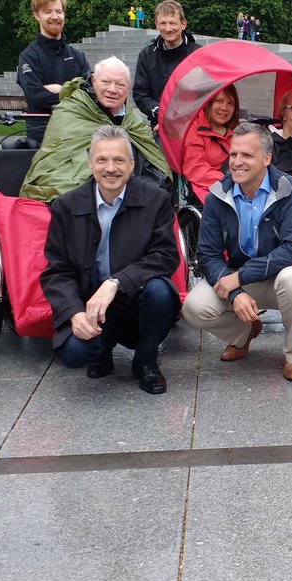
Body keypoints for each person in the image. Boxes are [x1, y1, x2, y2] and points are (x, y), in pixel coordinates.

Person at [40, 125, 180, 395]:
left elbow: (165, 256)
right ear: (91, 163)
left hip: (134, 298)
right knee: (74, 355)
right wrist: (73, 312)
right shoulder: (66, 207)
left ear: (131, 164)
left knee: (161, 291)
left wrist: (116, 282)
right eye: (102, 160)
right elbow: (56, 271)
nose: (110, 168)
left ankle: (146, 360)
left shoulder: (156, 200)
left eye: (118, 160)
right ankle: (101, 351)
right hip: (88, 304)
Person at [181, 123, 292, 381]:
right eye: (233, 154)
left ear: (267, 158)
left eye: (246, 155)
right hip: (238, 278)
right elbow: (208, 255)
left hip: (281, 277)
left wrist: (240, 277)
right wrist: (234, 292)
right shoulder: (218, 194)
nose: (237, 162)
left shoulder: (291, 190)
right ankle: (243, 334)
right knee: (193, 307)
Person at [20, 56, 171, 203]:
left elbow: (152, 162)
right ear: (93, 81)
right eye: (106, 82)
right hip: (78, 192)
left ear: (128, 89)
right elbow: (57, 161)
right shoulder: (70, 111)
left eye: (120, 85)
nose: (112, 89)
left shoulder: (133, 122)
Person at [18, 0, 91, 147]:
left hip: (76, 135)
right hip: (42, 139)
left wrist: (60, 90)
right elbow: (35, 95)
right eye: (48, 12)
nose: (55, 17)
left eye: (59, 11)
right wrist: (72, 93)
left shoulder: (77, 55)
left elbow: (90, 94)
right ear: (37, 15)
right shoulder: (28, 57)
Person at [132, 0, 201, 127]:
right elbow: (141, 94)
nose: (168, 29)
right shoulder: (147, 55)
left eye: (172, 23)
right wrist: (162, 114)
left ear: (183, 24)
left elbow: (207, 91)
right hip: (160, 123)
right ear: (156, 25)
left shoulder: (198, 54)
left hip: (195, 123)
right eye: (163, 23)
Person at [181, 85, 240, 206]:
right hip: (206, 190)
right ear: (208, 102)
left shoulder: (237, 132)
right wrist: (231, 182)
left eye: (230, 103)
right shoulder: (194, 128)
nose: (224, 108)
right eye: (219, 101)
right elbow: (195, 168)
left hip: (238, 188)